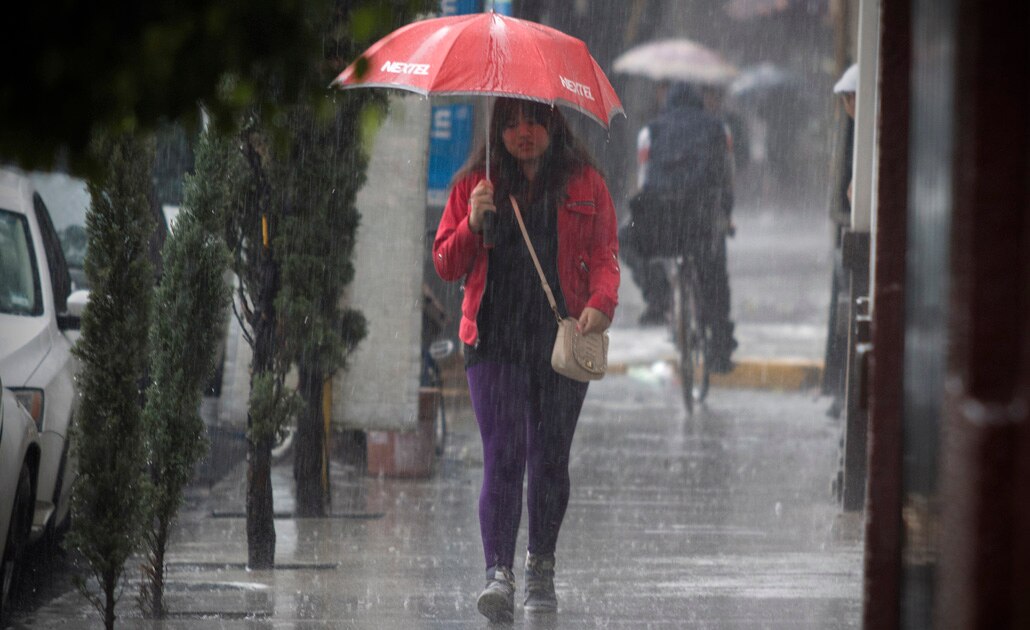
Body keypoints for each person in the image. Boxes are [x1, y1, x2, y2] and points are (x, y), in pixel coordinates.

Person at [432, 98, 620, 623]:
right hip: (492, 340)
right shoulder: (476, 184)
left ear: (552, 124)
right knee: (505, 453)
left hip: (559, 342)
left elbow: (605, 254)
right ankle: (499, 573)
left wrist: (601, 305)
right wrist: (472, 222)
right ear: (498, 131)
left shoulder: (584, 183)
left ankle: (540, 565)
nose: (523, 133)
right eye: (511, 123)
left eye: (533, 120)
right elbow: (447, 263)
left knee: (550, 457)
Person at [619, 82, 737, 373]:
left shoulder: (650, 131)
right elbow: (727, 177)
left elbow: (644, 180)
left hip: (661, 221)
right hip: (701, 219)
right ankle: (720, 347)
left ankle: (658, 294)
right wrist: (725, 215)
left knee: (623, 238)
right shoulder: (718, 129)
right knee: (714, 274)